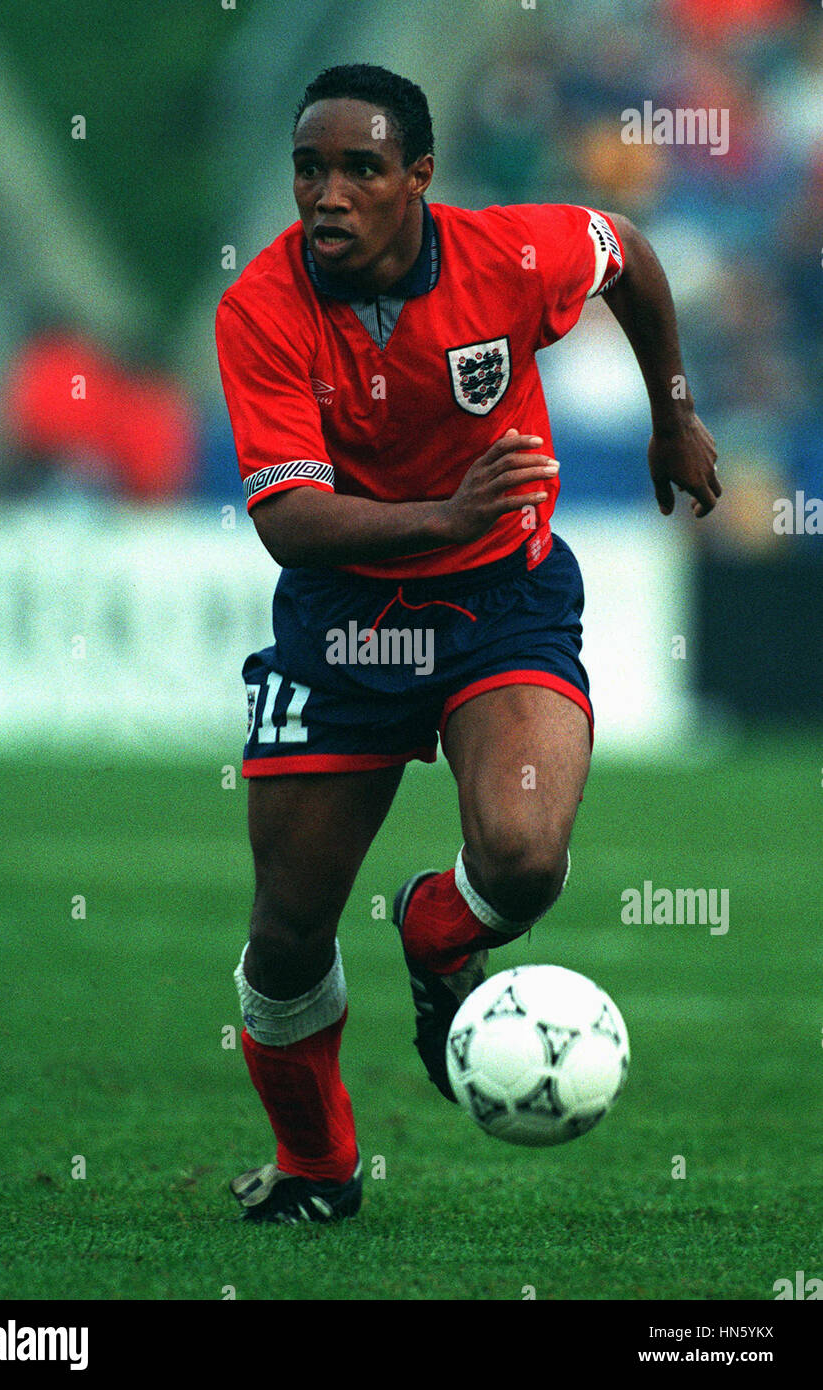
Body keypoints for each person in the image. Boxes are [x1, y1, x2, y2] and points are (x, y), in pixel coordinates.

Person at [215, 63, 719, 1224]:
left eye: (359, 168)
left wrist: (675, 411)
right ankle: (318, 1170)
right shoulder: (261, 309)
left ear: (419, 180)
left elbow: (629, 255)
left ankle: (438, 933)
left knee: (525, 857)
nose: (326, 194)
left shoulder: (515, 256)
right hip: (343, 623)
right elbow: (289, 524)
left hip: (502, 600)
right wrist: (442, 513)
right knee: (286, 937)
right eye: (309, 168)